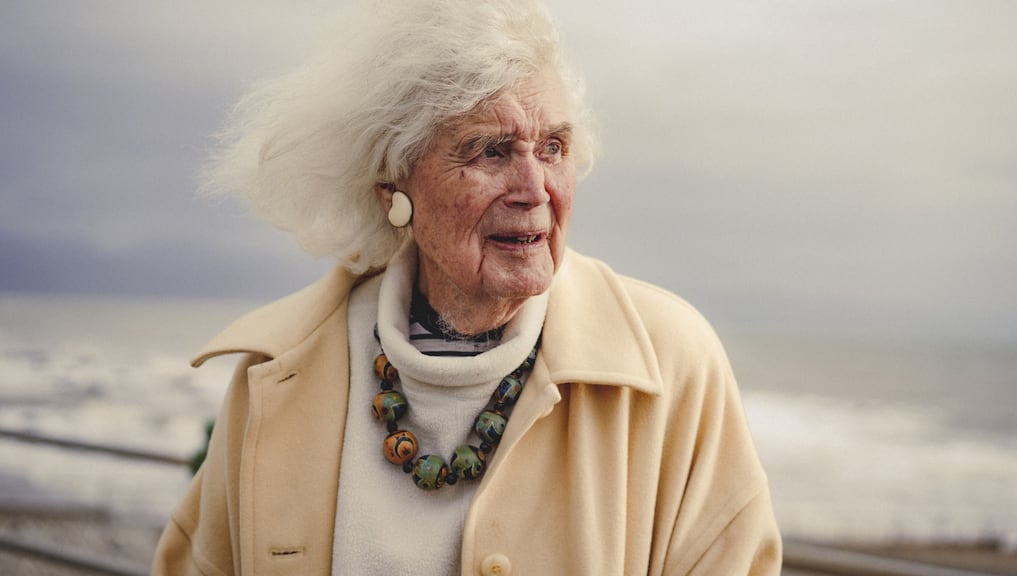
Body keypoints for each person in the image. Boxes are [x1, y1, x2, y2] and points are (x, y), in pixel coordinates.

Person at [152, 1, 782, 574]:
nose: (536, 190)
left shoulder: (673, 367)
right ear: (394, 184)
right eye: (490, 151)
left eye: (554, 147)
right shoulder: (277, 375)